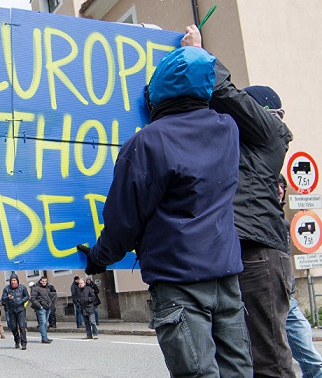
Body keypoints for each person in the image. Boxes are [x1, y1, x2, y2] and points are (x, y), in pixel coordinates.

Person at [77, 31, 253, 376]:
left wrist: (99, 257)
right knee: (239, 372)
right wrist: (199, 54)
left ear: (157, 90)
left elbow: (124, 221)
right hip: (226, 275)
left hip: (178, 280)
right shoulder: (227, 129)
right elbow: (215, 90)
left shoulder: (148, 143)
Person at [180, 23, 295, 376]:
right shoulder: (244, 147)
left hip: (257, 254)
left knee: (269, 358)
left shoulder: (268, 130)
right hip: (240, 253)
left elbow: (225, 93)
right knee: (243, 356)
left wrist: (198, 54)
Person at [277, 175, 322, 377]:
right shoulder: (255, 220)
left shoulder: (283, 222)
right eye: (275, 185)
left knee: (314, 364)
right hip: (266, 296)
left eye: (282, 186)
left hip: (288, 297)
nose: (280, 190)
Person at [2, 273, 29, 350]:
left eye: (14, 280)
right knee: (13, 327)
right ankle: (17, 340)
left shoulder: (22, 288)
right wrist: (8, 297)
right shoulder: (7, 289)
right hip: (11, 310)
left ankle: (24, 343)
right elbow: (3, 299)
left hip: (21, 309)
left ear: (17, 281)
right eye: (12, 280)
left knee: (22, 326)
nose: (13, 282)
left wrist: (22, 301)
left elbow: (27, 296)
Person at [30, 276, 53, 344]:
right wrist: (39, 306)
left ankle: (45, 337)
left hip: (47, 307)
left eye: (45, 281)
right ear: (40, 281)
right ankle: (44, 338)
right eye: (43, 281)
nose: (44, 282)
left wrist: (51, 304)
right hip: (41, 308)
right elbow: (33, 299)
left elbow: (49, 297)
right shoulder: (36, 288)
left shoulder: (47, 288)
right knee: (42, 323)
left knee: (45, 323)